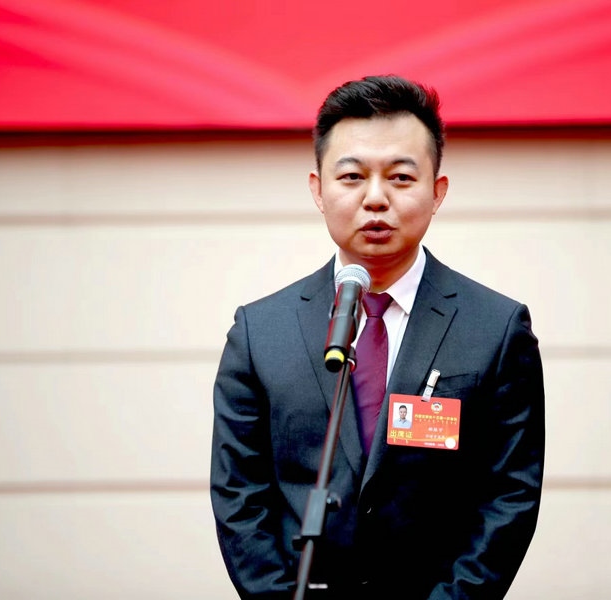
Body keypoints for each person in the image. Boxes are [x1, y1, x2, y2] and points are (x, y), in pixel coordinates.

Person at [211, 75, 544, 600]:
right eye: (351, 176)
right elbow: (240, 498)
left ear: (437, 193)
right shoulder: (259, 333)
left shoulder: (496, 329)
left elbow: (509, 496)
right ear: (318, 190)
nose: (375, 199)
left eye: (401, 178)